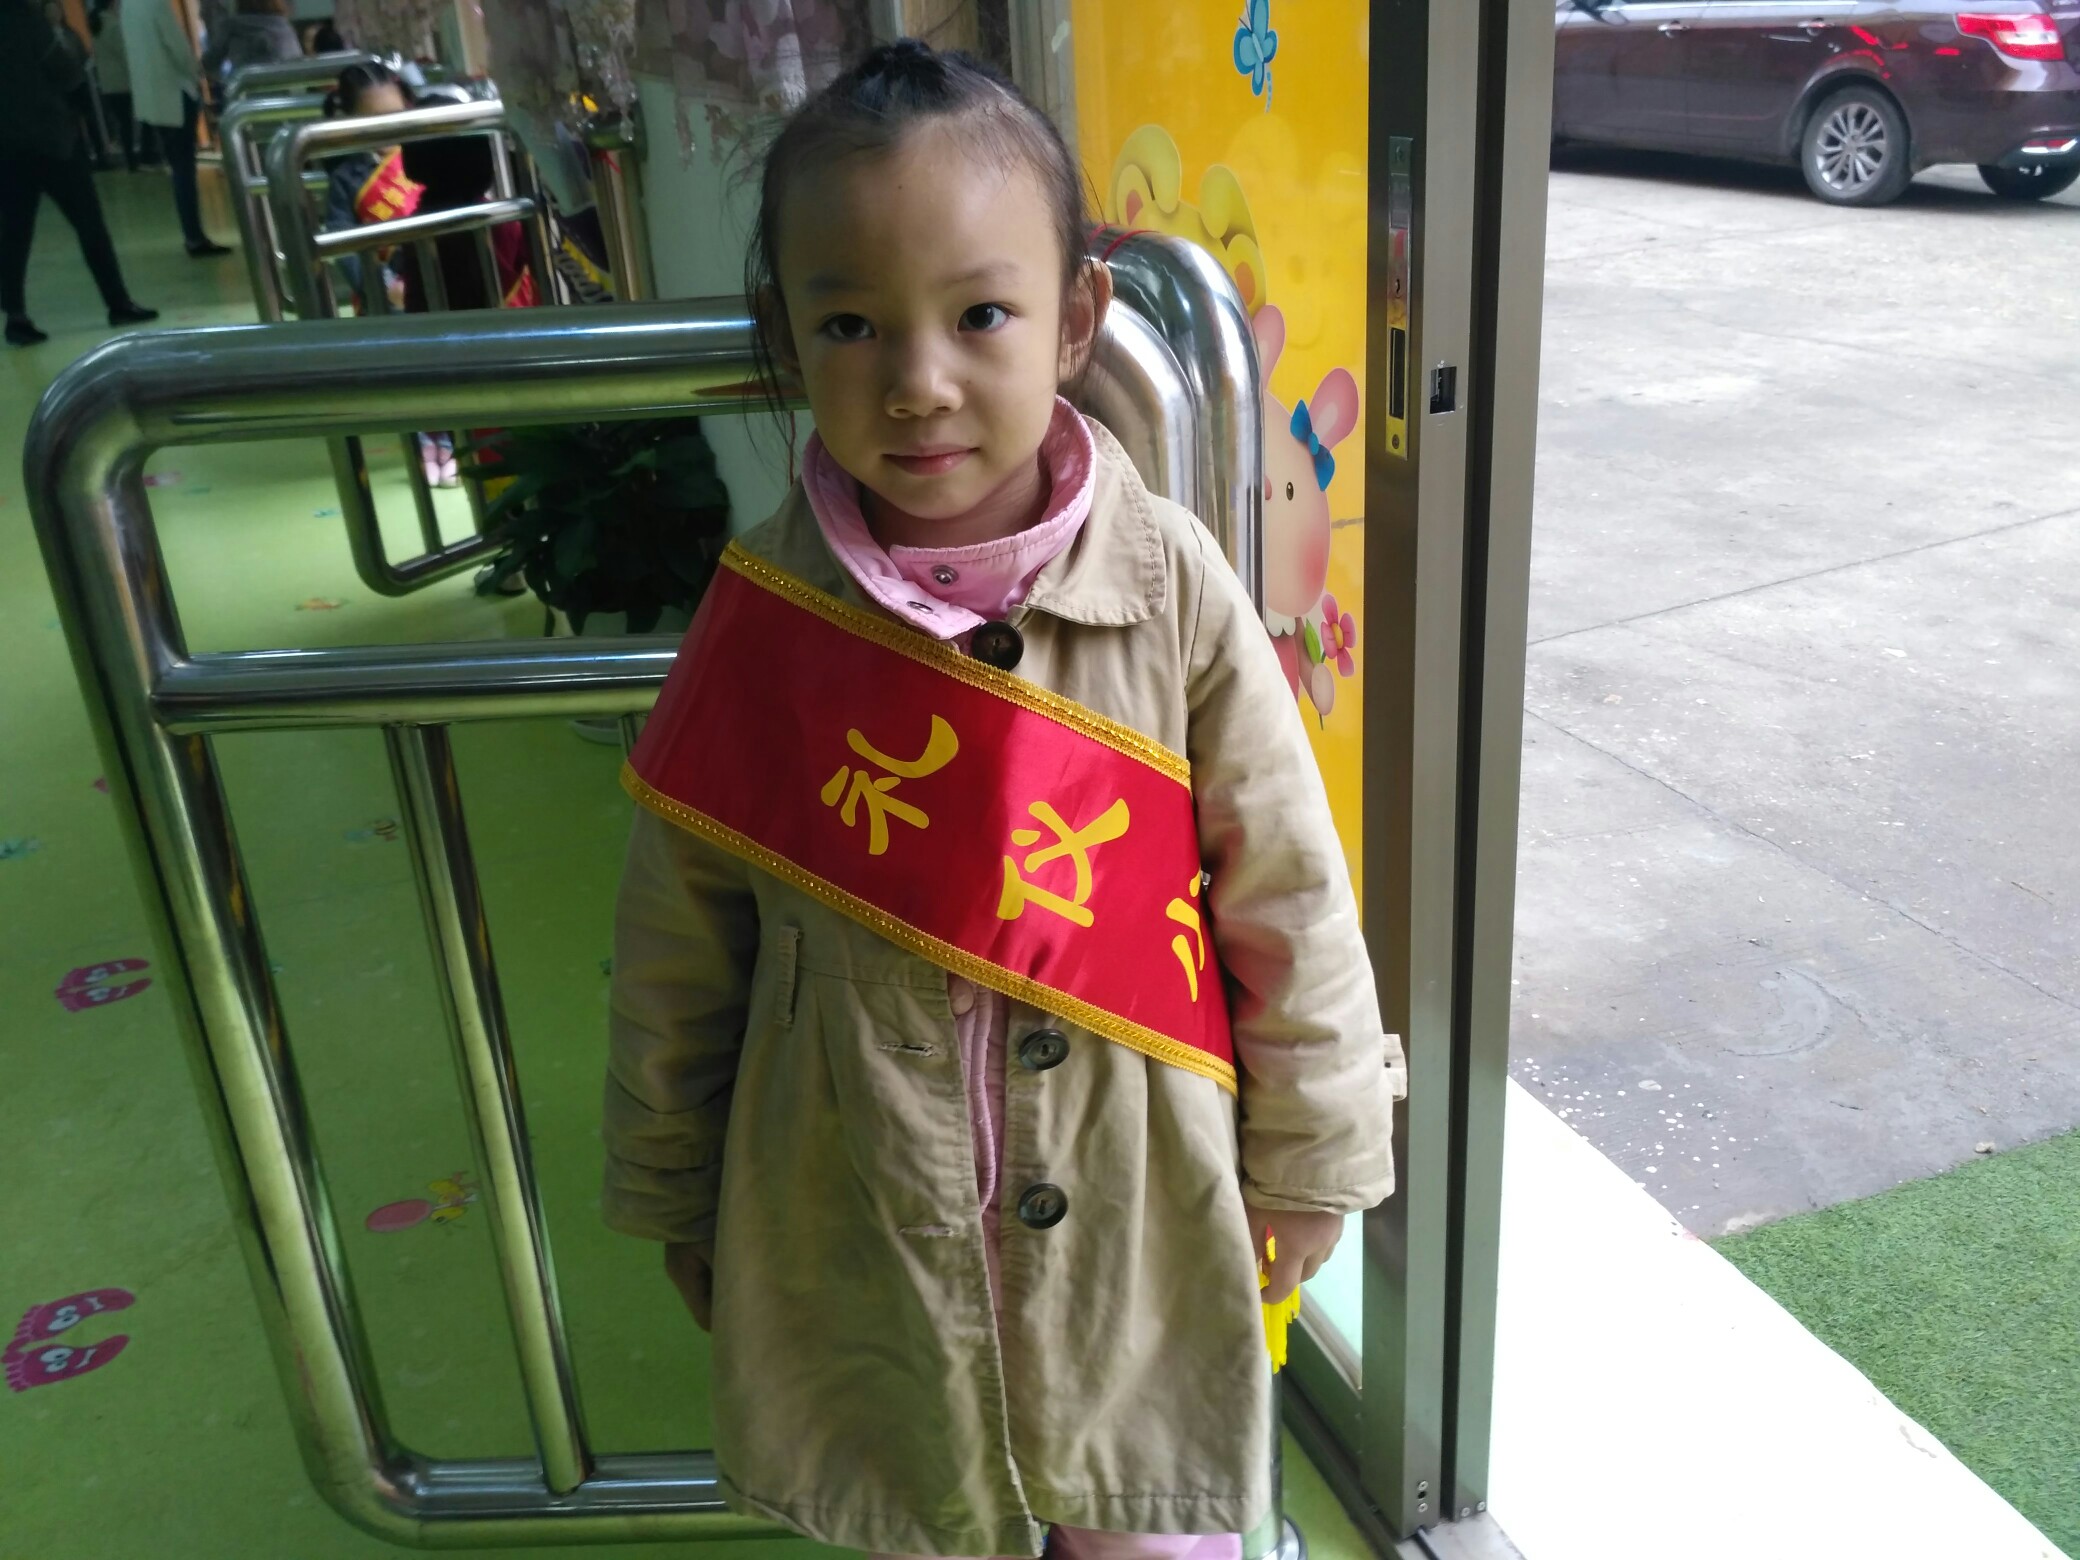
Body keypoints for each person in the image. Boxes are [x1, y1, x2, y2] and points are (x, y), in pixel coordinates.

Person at [604, 38, 1403, 1560]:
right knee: (923, 1509)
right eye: (850, 324)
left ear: (1076, 318)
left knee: (1147, 1511)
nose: (918, 384)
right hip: (856, 1196)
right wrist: (677, 1186)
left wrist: (1311, 1157)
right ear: (787, 336)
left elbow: (1287, 893)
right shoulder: (766, 613)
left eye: (980, 314)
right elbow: (676, 938)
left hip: (1137, 1196)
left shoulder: (1174, 585)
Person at [0, 0, 157, 343]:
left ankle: (16, 315)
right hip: (52, 140)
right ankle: (117, 302)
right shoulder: (27, 19)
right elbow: (65, 72)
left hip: (7, 148)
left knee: (13, 235)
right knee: (89, 224)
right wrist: (87, 113)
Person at [121, 0, 229, 256]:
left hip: (154, 100)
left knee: (178, 168)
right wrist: (197, 72)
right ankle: (194, 236)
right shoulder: (155, 4)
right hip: (175, 95)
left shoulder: (127, 6)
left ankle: (191, 234)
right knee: (184, 169)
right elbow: (177, 48)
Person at [88, 0, 152, 170]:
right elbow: (125, 53)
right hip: (123, 82)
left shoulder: (96, 25)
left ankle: (131, 160)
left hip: (108, 84)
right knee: (140, 118)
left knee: (124, 123)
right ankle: (142, 156)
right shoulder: (113, 25)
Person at [200, 0, 298, 82]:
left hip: (252, 90)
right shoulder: (285, 26)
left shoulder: (233, 25)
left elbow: (210, 62)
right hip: (289, 88)